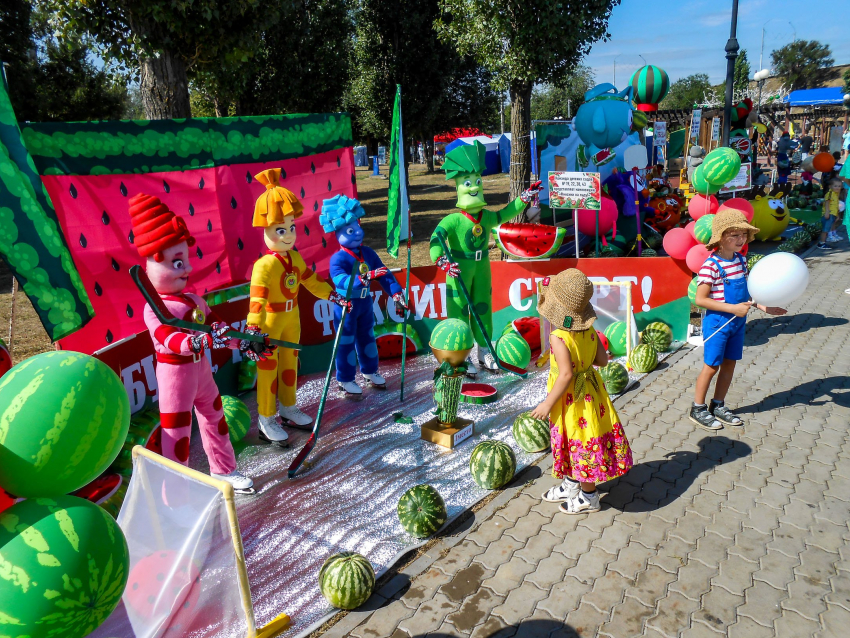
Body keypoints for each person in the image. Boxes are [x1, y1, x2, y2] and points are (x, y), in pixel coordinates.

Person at [131, 193, 265, 493]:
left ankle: (224, 470)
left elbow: (220, 328)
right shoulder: (154, 308)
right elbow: (168, 339)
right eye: (177, 263)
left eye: (186, 261)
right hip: (175, 376)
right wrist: (200, 341)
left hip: (201, 372)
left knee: (215, 419)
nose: (187, 269)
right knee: (176, 434)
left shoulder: (193, 300)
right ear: (152, 264)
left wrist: (245, 343)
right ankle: (176, 491)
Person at [247, 169, 350, 442]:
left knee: (290, 365)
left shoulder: (295, 258)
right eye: (280, 230)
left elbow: (311, 281)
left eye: (291, 227)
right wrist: (253, 329)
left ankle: (288, 408)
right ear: (266, 230)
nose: (289, 235)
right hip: (270, 323)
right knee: (268, 371)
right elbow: (257, 299)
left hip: (292, 318)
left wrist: (333, 296)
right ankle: (266, 419)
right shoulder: (264, 265)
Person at [530, 269, 633, 514]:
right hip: (591, 392)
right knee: (577, 439)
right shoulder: (589, 330)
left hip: (571, 399)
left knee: (582, 442)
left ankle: (589, 496)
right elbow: (603, 361)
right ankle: (571, 483)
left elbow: (566, 374)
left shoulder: (558, 337)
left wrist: (546, 404)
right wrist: (583, 358)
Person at [690, 210, 787, 430]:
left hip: (737, 323)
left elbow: (747, 294)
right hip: (718, 324)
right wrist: (732, 308)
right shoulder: (711, 265)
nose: (740, 239)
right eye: (734, 235)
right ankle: (698, 408)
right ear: (720, 237)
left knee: (730, 363)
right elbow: (700, 300)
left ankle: (718, 405)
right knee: (711, 366)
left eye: (743, 234)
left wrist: (764, 306)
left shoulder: (741, 261)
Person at [320, 194, 408, 394]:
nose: (358, 233)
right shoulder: (338, 259)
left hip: (365, 304)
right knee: (345, 342)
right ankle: (345, 379)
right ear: (338, 233)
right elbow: (341, 281)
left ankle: (370, 371)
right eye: (351, 231)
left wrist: (396, 294)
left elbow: (384, 274)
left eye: (358, 227)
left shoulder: (367, 253)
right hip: (346, 306)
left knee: (367, 338)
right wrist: (365, 278)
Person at [818, 178, 842, 250]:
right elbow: (827, 203)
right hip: (829, 213)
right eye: (835, 186)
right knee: (825, 229)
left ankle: (824, 241)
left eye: (839, 186)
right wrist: (827, 212)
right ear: (830, 186)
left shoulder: (836, 194)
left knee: (828, 228)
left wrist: (837, 215)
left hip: (833, 214)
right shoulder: (830, 194)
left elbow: (836, 205)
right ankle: (821, 243)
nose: (837, 188)